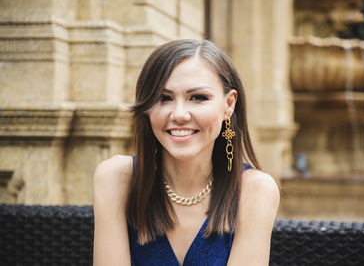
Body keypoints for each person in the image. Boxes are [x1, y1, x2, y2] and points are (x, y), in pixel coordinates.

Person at [93, 39, 280, 266]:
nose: (179, 114)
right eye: (164, 98)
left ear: (228, 104)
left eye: (198, 97)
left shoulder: (255, 191)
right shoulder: (116, 178)